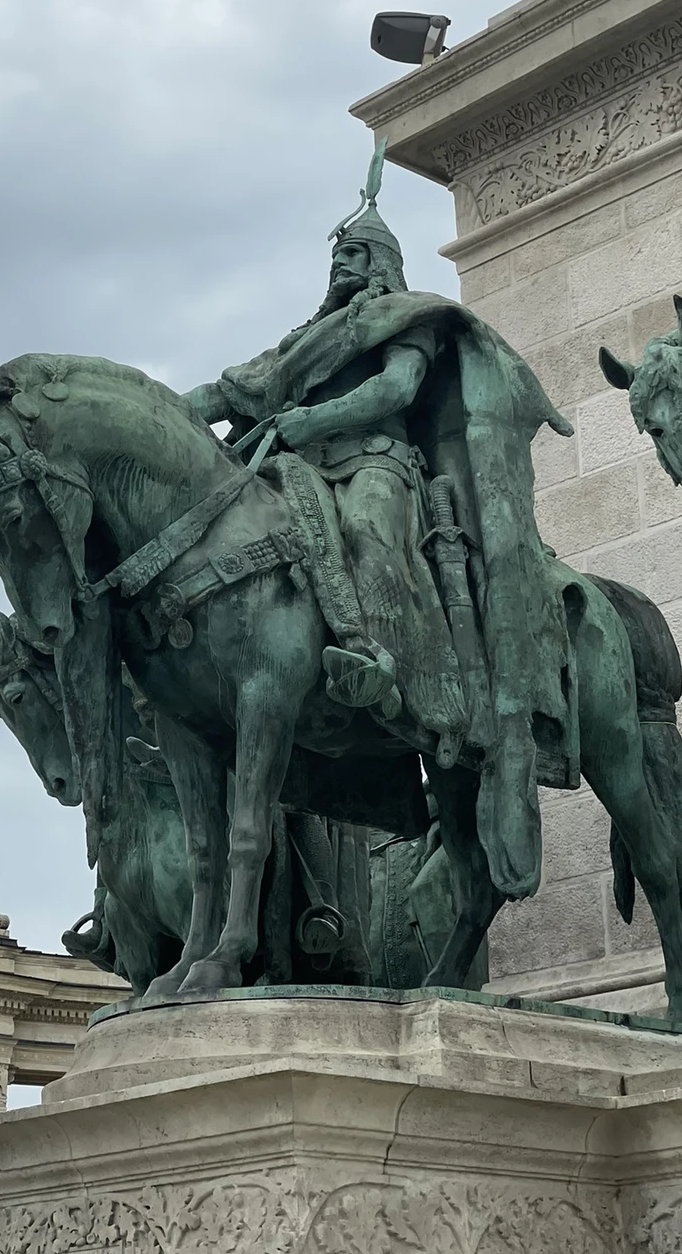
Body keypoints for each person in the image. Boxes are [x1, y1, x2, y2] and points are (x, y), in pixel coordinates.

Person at [184, 142, 576, 899]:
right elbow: (233, 392)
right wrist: (163, 414)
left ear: (383, 265)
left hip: (378, 464)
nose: (343, 267)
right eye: (339, 257)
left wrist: (307, 419)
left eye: (357, 254)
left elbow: (394, 391)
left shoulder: (409, 318)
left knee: (367, 534)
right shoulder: (304, 339)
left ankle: (377, 657)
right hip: (293, 464)